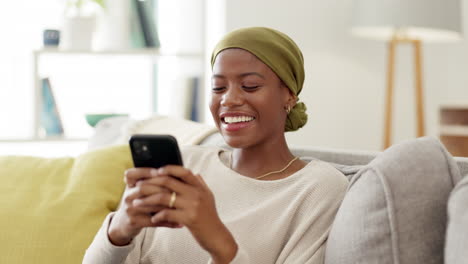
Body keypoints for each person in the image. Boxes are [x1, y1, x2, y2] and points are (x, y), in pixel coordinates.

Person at [83, 27, 348, 264]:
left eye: (250, 86)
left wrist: (219, 243)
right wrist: (118, 231)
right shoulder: (186, 164)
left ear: (289, 95)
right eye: (218, 88)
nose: (229, 99)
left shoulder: (318, 189)